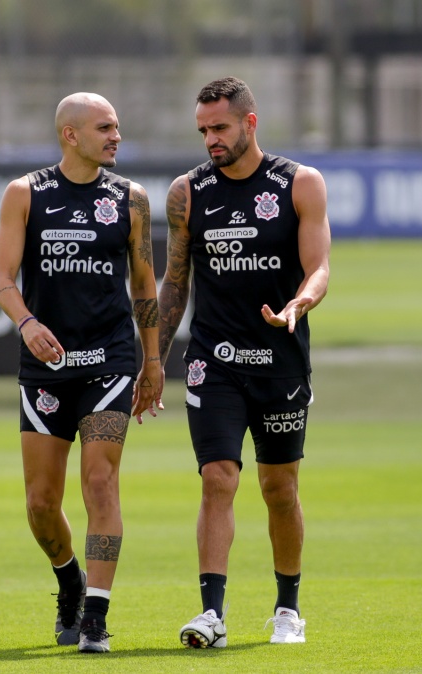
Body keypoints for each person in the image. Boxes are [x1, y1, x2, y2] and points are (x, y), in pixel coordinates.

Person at [158, 77, 331, 648]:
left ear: (249, 123)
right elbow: (174, 283)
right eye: (203, 130)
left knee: (279, 488)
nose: (210, 139)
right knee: (217, 478)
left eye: (220, 128)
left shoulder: (299, 183)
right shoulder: (187, 192)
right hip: (215, 361)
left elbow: (320, 267)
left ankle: (288, 608)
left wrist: (301, 302)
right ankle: (211, 613)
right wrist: (154, 360)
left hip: (281, 358)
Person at [0, 92, 163, 654]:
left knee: (99, 481)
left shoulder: (131, 200)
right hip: (45, 370)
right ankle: (70, 579)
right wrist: (26, 323)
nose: (116, 136)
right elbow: (1, 279)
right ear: (71, 135)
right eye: (105, 127)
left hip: (109, 364)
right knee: (41, 503)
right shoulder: (25, 194)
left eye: (117, 126)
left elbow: (144, 286)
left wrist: (153, 359)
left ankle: (95, 617)